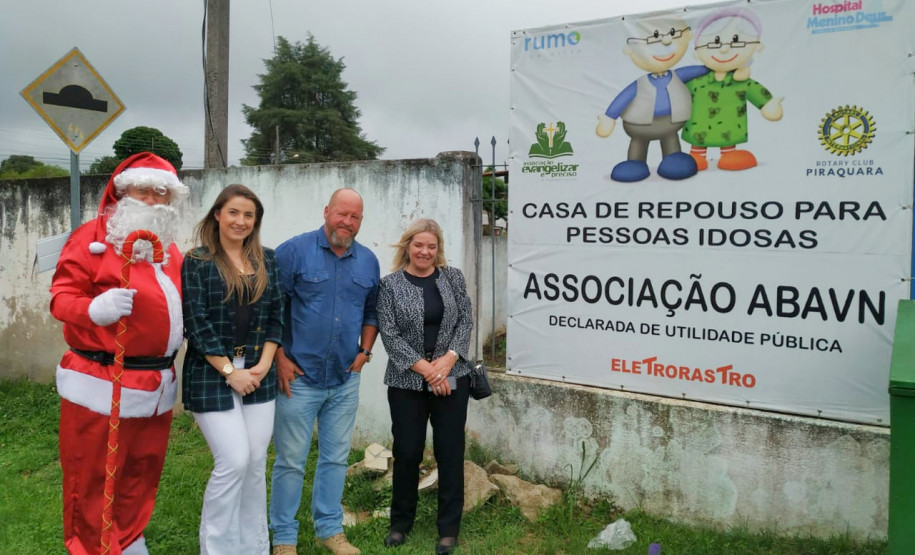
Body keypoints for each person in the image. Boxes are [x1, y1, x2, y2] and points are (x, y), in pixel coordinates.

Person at [50, 152, 187, 555]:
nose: (152, 199)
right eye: (143, 190)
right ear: (123, 191)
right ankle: (90, 547)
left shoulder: (170, 251)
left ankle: (127, 538)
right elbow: (61, 298)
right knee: (92, 477)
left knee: (141, 472)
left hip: (155, 386)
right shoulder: (90, 239)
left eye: (161, 192)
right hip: (101, 382)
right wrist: (95, 309)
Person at [269, 188, 380, 555]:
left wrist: (365, 352)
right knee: (291, 461)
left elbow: (370, 312)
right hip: (298, 378)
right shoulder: (293, 252)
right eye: (342, 214)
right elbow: (272, 308)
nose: (347, 223)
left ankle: (329, 530)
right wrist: (279, 358)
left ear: (361, 222)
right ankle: (284, 537)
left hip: (345, 379)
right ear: (327, 211)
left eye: (355, 217)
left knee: (335, 457)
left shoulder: (368, 262)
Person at [182, 184, 284, 554]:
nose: (241, 221)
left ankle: (253, 548)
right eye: (234, 213)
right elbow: (196, 323)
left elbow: (277, 315)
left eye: (249, 215)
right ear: (217, 215)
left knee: (256, 463)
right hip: (212, 373)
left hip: (259, 372)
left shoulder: (268, 259)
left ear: (256, 221)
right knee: (234, 460)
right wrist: (231, 372)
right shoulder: (197, 261)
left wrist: (262, 366)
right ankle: (219, 548)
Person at [376, 219, 474, 555]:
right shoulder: (389, 285)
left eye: (431, 246)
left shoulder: (452, 277)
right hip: (406, 383)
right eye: (419, 245)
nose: (425, 252)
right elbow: (389, 335)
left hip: (451, 379)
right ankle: (400, 523)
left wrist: (448, 361)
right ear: (407, 246)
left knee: (449, 452)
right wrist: (428, 372)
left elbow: (465, 319)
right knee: (407, 452)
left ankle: (448, 529)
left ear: (438, 249)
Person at [596, 16, 705, 182]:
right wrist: (609, 118)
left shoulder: (678, 75)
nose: (666, 43)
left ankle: (673, 157)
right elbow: (624, 97)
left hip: (671, 122)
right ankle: (635, 162)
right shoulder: (640, 83)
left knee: (670, 139)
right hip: (640, 126)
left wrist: (715, 65)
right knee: (638, 143)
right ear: (631, 50)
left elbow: (699, 70)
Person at [680, 7, 783, 171]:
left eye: (736, 40)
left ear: (755, 46)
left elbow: (758, 94)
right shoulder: (695, 81)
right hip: (697, 129)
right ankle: (696, 156)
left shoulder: (741, 81)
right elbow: (678, 95)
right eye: (715, 42)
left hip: (729, 129)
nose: (724, 49)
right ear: (698, 50)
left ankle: (728, 155)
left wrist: (769, 105)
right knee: (695, 155)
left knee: (730, 153)